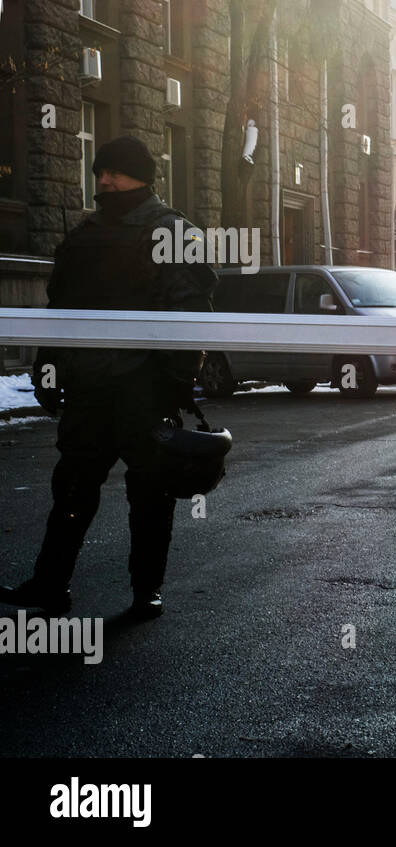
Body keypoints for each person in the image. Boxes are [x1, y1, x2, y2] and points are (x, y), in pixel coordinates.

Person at [0, 135, 217, 619]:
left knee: (151, 492)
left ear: (143, 176)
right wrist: (48, 368)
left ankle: (146, 591)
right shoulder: (85, 233)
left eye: (115, 172)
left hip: (144, 387)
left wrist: (177, 382)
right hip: (89, 387)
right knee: (72, 488)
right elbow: (60, 310)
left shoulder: (173, 232)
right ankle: (50, 585)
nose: (105, 180)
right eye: (100, 172)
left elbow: (191, 313)